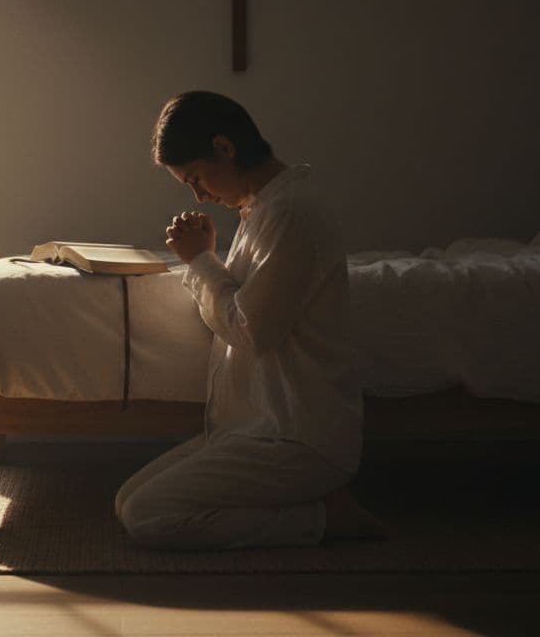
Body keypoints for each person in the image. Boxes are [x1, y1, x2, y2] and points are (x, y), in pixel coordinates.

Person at [114, 90, 388, 550]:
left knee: (147, 516)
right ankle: (313, 507)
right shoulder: (260, 210)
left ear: (225, 148)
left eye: (196, 178)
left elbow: (250, 330)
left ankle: (324, 518)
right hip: (253, 430)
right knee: (126, 501)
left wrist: (201, 261)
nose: (199, 194)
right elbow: (241, 309)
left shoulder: (291, 215)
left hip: (296, 437)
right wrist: (207, 258)